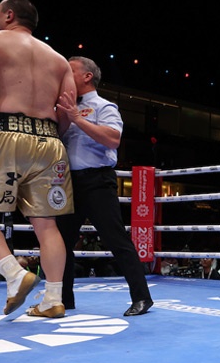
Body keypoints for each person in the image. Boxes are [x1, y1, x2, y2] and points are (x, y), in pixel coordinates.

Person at [0, 0, 75, 317]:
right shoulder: (60, 61)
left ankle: (15, 275)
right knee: (47, 224)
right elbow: (66, 114)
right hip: (50, 141)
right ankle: (53, 299)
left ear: (9, 15)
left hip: (1, 133)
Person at [55, 56, 153, 316]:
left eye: (71, 70)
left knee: (116, 240)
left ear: (87, 76)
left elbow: (113, 139)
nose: (65, 73)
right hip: (69, 183)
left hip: (98, 181)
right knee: (61, 243)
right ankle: (64, 299)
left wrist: (77, 118)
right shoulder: (65, 107)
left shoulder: (104, 106)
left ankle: (142, 298)